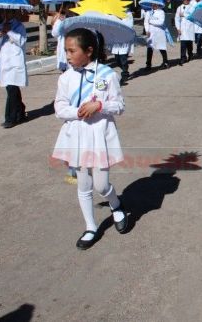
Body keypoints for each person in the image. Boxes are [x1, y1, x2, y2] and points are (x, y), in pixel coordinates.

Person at [51, 28, 129, 250]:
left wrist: (100, 105)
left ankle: (115, 203)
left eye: (71, 51)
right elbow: (59, 108)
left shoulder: (107, 75)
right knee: (84, 184)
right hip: (77, 135)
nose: (67, 55)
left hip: (99, 135)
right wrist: (77, 112)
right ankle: (91, 227)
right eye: (66, 50)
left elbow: (119, 106)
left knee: (101, 185)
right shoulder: (66, 78)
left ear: (89, 51)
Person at [0, 11, 28, 128]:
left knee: (12, 89)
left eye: (8, 12)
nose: (5, 15)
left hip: (15, 63)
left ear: (13, 13)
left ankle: (10, 118)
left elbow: (21, 40)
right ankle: (20, 111)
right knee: (12, 89)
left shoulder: (19, 26)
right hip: (4, 63)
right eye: (3, 13)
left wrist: (9, 31)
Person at [143, 1, 170, 69]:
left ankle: (165, 62)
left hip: (159, 32)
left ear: (158, 4)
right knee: (150, 48)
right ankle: (148, 64)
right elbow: (146, 22)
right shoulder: (148, 12)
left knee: (161, 47)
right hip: (150, 32)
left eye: (155, 4)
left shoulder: (161, 12)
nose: (154, 5)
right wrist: (147, 30)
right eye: (153, 4)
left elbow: (160, 22)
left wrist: (150, 21)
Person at [110, 9, 134, 83]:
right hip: (116, 39)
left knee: (123, 58)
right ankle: (125, 68)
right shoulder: (113, 13)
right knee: (117, 59)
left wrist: (119, 20)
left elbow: (130, 25)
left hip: (124, 38)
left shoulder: (128, 13)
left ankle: (125, 74)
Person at [175, 0, 195, 64]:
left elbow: (193, 16)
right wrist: (178, 28)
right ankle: (183, 58)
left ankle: (190, 54)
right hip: (182, 29)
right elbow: (176, 19)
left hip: (189, 28)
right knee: (183, 44)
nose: (186, 0)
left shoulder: (192, 7)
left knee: (189, 43)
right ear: (182, 0)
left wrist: (184, 15)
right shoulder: (179, 8)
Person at [51, 7, 69, 72]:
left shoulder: (73, 19)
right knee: (65, 66)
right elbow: (54, 33)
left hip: (71, 44)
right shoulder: (58, 22)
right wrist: (60, 23)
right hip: (63, 45)